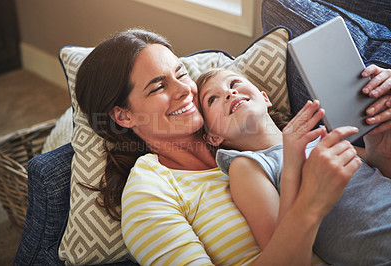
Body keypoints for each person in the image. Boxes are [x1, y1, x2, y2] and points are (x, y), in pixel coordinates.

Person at [74, 28, 391, 265]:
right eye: (158, 86)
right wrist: (310, 206)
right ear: (123, 115)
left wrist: (380, 147)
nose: (185, 91)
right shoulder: (149, 194)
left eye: (181, 73)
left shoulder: (249, 134)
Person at [197, 67, 391, 265]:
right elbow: (281, 249)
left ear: (265, 98)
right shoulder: (247, 164)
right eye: (212, 99)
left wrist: (379, 149)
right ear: (214, 137)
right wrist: (292, 165)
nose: (230, 93)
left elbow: (378, 176)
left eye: (233, 83)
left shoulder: (320, 136)